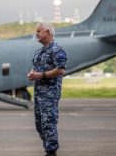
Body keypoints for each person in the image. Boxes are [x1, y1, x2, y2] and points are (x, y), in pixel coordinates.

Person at [27, 22, 67, 156]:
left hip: (50, 94)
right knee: (40, 125)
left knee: (49, 123)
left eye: (39, 31)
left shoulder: (57, 50)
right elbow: (35, 67)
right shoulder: (39, 51)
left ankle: (51, 151)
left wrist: (42, 75)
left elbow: (60, 70)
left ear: (48, 32)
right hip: (38, 94)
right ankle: (48, 147)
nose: (36, 34)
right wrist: (32, 73)